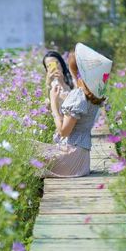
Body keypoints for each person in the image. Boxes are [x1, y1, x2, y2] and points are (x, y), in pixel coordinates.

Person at [36, 43, 113, 178]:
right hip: (82, 160)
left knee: (26, 152)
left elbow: (64, 132)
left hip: (70, 158)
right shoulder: (94, 95)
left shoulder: (78, 94)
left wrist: (53, 103)